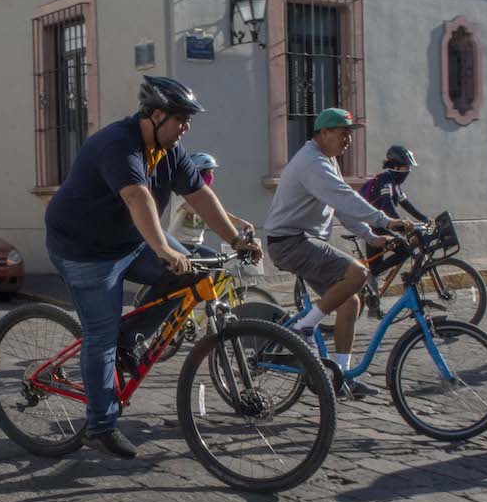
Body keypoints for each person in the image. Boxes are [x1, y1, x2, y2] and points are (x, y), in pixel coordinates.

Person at [44, 76, 263, 459]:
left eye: (188, 119)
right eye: (180, 118)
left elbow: (200, 195)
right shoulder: (117, 144)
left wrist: (235, 240)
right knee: (100, 333)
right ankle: (100, 425)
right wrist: (162, 247)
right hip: (84, 250)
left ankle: (128, 338)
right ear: (156, 115)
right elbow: (136, 196)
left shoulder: (170, 150)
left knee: (196, 274)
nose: (186, 127)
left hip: (131, 241)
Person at [264, 108, 413, 397]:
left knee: (350, 303)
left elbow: (341, 207)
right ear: (324, 133)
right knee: (358, 273)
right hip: (290, 242)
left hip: (304, 241)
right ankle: (303, 329)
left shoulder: (328, 161)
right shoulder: (312, 162)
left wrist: (371, 236)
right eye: (343, 133)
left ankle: (340, 378)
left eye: (350, 134)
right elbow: (345, 198)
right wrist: (385, 221)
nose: (348, 140)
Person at [167, 152, 254, 258]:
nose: (211, 177)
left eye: (212, 173)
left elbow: (218, 217)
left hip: (196, 244)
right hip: (178, 244)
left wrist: (240, 223)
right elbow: (207, 211)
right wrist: (238, 222)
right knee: (190, 265)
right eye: (208, 173)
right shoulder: (182, 193)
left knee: (217, 260)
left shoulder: (203, 194)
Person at [361, 145, 429, 275]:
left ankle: (372, 277)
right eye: (406, 167)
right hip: (374, 228)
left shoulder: (394, 184)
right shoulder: (385, 179)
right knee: (404, 250)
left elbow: (407, 205)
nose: (408, 171)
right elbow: (387, 206)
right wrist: (401, 223)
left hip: (381, 226)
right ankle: (370, 276)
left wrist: (425, 219)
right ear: (396, 167)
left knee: (378, 267)